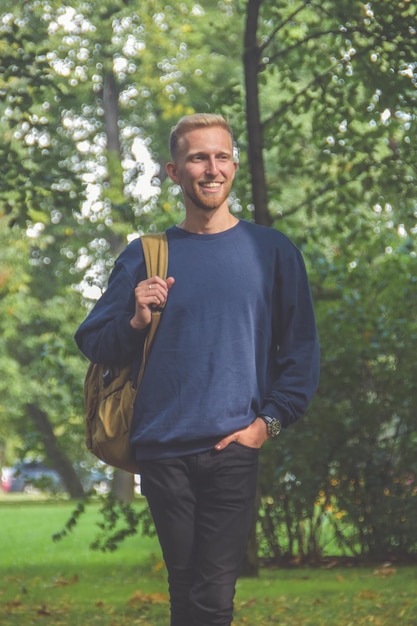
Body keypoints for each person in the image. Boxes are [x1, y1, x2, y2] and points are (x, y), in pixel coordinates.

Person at [75, 113, 320, 626]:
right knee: (186, 591)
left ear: (233, 165)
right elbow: (93, 340)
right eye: (198, 158)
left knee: (212, 597)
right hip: (163, 450)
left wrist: (266, 425)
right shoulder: (146, 255)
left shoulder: (271, 251)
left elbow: (299, 354)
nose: (212, 169)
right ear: (174, 171)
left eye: (222, 156)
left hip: (234, 446)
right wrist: (137, 320)